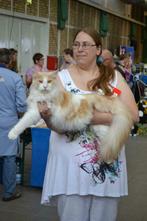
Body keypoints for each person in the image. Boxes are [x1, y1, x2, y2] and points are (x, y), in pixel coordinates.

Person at [38, 28, 139, 221]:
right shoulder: (61, 78)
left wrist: (90, 117)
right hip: (71, 169)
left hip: (107, 163)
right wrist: (48, 118)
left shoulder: (113, 77)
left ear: (98, 49)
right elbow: (60, 124)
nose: (80, 49)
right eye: (76, 44)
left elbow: (133, 115)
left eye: (86, 45)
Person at [0, 48, 27, 201]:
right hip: (8, 121)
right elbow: (22, 105)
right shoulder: (15, 78)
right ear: (10, 61)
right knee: (9, 156)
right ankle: (9, 192)